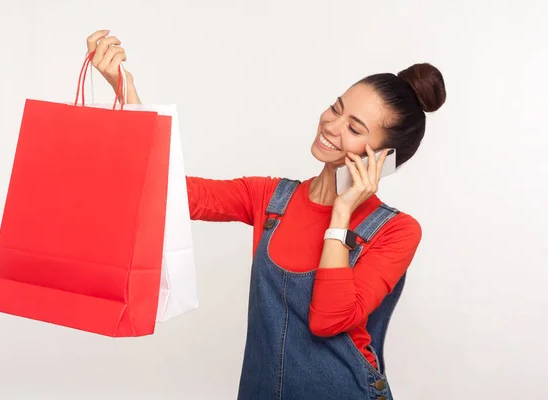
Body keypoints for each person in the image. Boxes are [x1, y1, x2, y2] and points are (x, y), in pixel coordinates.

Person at [85, 30, 446, 400]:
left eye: (354, 128)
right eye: (336, 108)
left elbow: (329, 320)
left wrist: (341, 212)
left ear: (382, 159)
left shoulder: (396, 231)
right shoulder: (270, 198)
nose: (331, 126)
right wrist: (124, 89)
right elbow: (168, 191)